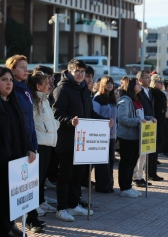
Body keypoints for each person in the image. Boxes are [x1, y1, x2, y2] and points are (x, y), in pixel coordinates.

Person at [52, 58, 112, 222]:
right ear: (70, 71)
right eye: (77, 71)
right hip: (66, 141)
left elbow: (90, 113)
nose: (80, 74)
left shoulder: (84, 89)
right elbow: (57, 113)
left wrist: (104, 121)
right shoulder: (62, 89)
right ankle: (61, 208)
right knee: (65, 175)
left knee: (78, 176)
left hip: (82, 143)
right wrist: (70, 120)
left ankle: (73, 204)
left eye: (82, 72)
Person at [0, 67, 33, 237]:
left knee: (8, 207)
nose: (9, 83)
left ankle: (6, 230)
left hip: (15, 165)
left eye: (10, 80)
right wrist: (1, 152)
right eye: (4, 79)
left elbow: (24, 130)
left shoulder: (13, 102)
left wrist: (30, 148)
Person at [5, 55, 43, 233]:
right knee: (15, 187)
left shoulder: (25, 90)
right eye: (21, 67)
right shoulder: (11, 90)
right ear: (12, 70)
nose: (26, 70)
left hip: (28, 142)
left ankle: (29, 220)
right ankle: (12, 223)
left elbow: (30, 121)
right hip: (16, 146)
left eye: (26, 66)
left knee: (27, 185)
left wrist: (33, 144)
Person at [27, 70, 61, 216]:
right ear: (38, 86)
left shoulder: (45, 99)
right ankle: (33, 206)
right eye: (46, 83)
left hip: (48, 142)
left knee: (42, 177)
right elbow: (32, 123)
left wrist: (55, 125)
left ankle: (40, 201)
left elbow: (49, 119)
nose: (49, 85)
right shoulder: (35, 101)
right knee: (36, 177)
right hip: (40, 143)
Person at [117, 78, 154, 197]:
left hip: (136, 137)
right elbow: (122, 118)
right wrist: (138, 121)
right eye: (137, 84)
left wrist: (149, 118)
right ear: (131, 86)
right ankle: (124, 188)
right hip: (127, 137)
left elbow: (140, 116)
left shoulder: (137, 99)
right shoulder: (125, 100)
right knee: (126, 163)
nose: (139, 85)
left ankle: (128, 185)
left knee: (132, 162)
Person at [92, 76, 117, 193]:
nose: (110, 85)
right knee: (102, 161)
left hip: (112, 134)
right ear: (102, 84)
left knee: (111, 160)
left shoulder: (112, 98)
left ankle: (109, 184)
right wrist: (105, 121)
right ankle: (101, 185)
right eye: (107, 83)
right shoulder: (98, 98)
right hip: (101, 134)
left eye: (111, 83)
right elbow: (94, 115)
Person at [133, 70, 154, 187]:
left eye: (150, 77)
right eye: (147, 78)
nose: (149, 80)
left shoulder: (149, 91)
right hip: (140, 124)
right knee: (138, 153)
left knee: (144, 153)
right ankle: (136, 177)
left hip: (148, 125)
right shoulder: (138, 92)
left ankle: (141, 175)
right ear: (140, 80)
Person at [148, 74, 166, 180]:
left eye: (162, 82)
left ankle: (153, 172)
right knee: (152, 151)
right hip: (153, 123)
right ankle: (150, 173)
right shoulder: (152, 93)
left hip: (161, 123)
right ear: (154, 83)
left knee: (156, 150)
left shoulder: (160, 94)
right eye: (160, 82)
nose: (162, 84)